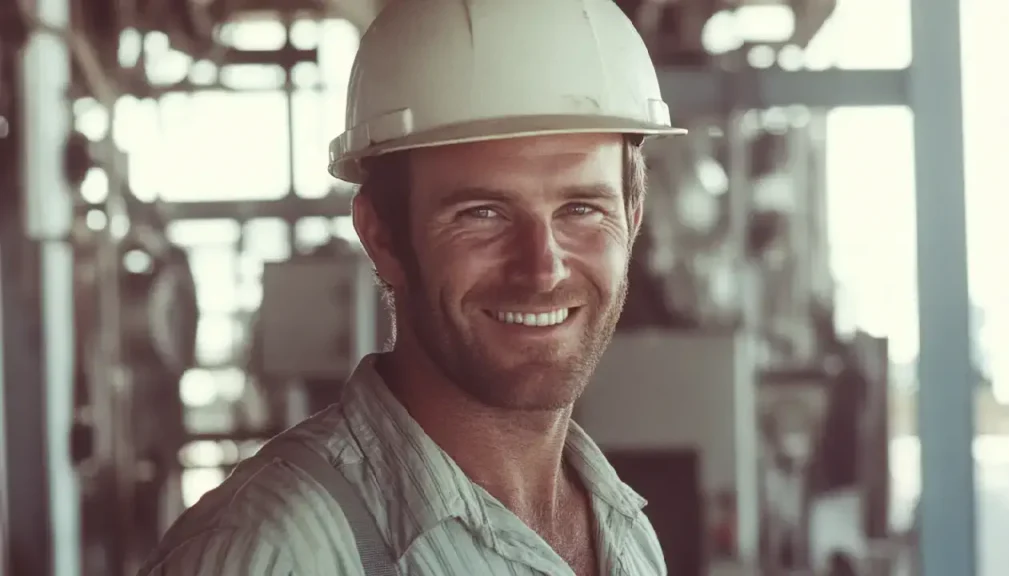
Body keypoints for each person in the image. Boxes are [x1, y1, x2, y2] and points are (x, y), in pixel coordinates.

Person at [138, 0, 687, 574]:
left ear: (633, 214)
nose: (542, 269)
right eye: (483, 213)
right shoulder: (276, 553)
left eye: (581, 208)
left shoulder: (625, 533)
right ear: (383, 236)